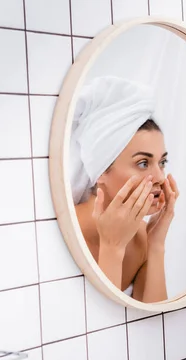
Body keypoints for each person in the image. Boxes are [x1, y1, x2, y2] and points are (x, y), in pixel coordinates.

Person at [70, 76, 178, 303]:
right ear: (101, 172)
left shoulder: (141, 238)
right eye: (142, 163)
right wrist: (112, 247)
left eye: (162, 162)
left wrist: (155, 244)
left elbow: (153, 323)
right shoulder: (65, 233)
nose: (160, 177)